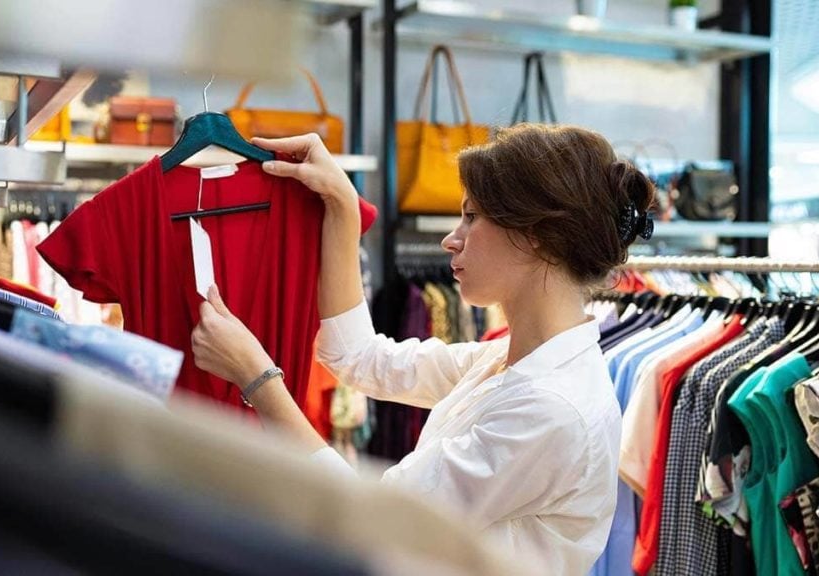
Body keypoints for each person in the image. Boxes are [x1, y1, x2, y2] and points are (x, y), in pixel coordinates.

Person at [190, 123, 656, 574]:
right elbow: (359, 359)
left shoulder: (550, 408)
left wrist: (257, 377)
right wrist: (343, 206)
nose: (451, 239)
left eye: (472, 217)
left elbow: (371, 519)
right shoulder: (508, 361)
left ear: (535, 236)